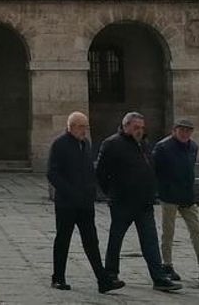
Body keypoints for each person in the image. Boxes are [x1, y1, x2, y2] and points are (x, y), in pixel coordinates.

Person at [95, 112, 182, 292]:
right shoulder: (112, 144)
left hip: (144, 203)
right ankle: (111, 273)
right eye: (136, 128)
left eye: (142, 128)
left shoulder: (143, 144)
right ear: (125, 126)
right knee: (116, 239)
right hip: (122, 203)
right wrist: (111, 193)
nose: (140, 131)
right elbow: (101, 173)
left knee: (150, 241)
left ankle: (158, 277)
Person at [47, 112, 124, 294]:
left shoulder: (85, 144)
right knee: (63, 240)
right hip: (67, 203)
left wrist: (92, 190)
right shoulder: (60, 144)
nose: (85, 130)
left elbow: (88, 170)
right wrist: (69, 192)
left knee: (91, 241)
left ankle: (103, 280)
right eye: (82, 127)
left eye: (86, 127)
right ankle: (58, 278)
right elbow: (52, 173)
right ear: (71, 126)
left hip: (85, 203)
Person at [152, 118, 199, 282]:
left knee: (196, 230)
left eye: (188, 130)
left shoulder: (193, 146)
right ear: (174, 130)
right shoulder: (162, 147)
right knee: (168, 232)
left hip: (187, 195)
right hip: (169, 195)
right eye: (182, 130)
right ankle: (167, 265)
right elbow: (154, 170)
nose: (185, 133)